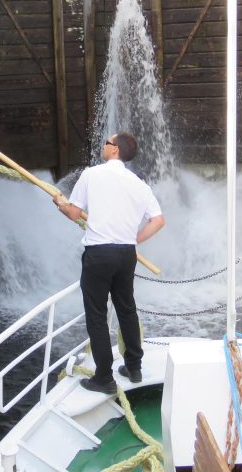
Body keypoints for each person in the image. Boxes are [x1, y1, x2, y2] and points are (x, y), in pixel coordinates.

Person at [53, 132, 165, 393]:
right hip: (126, 254)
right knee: (127, 308)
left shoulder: (92, 174)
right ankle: (134, 367)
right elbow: (158, 220)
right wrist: (133, 239)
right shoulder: (139, 184)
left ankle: (104, 377)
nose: (103, 145)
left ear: (115, 150)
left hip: (99, 253)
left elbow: (73, 212)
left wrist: (59, 203)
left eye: (107, 142)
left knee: (97, 315)